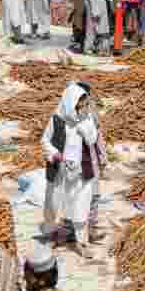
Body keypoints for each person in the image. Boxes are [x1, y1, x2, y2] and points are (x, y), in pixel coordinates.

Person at [41, 83, 101, 258]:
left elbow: (91, 140)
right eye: (79, 106)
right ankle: (51, 235)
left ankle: (81, 242)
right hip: (60, 170)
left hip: (81, 170)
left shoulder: (86, 119)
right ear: (69, 103)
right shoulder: (56, 119)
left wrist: (85, 126)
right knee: (53, 203)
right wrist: (56, 155)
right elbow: (45, 141)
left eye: (84, 105)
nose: (81, 109)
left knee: (81, 205)